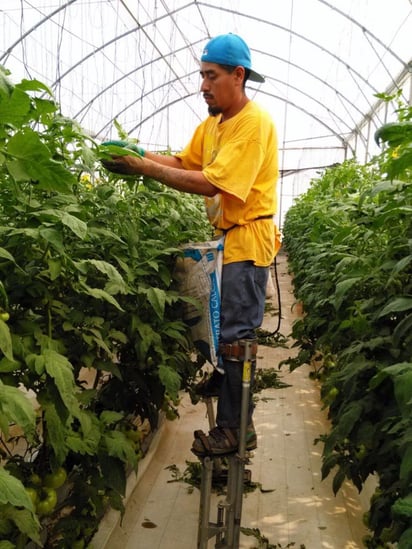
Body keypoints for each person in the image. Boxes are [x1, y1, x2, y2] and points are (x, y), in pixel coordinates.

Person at [102, 33, 279, 456]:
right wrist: (139, 153)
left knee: (237, 333)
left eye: (211, 76)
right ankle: (226, 376)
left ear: (238, 76)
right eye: (201, 75)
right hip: (228, 242)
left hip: (248, 241)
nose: (203, 85)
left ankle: (238, 428)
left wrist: (142, 168)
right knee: (221, 325)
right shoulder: (214, 124)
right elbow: (185, 163)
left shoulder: (253, 125)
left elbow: (208, 181)